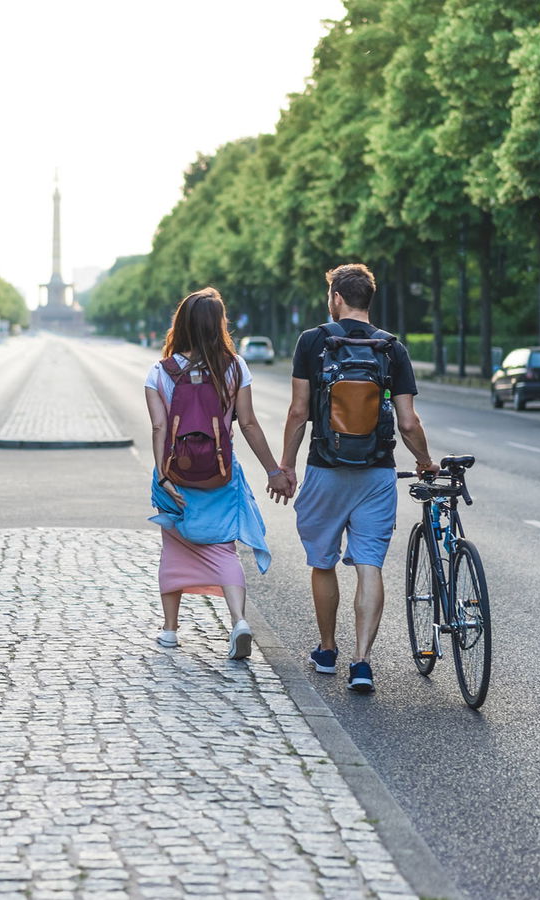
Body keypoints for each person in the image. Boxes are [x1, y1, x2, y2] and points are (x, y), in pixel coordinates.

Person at [277, 264, 436, 693]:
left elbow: (298, 413)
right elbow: (408, 421)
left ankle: (327, 650)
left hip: (325, 469)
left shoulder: (312, 342)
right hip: (376, 473)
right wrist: (424, 461)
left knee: (322, 561)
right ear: (369, 299)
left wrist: (286, 467)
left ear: (336, 298)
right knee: (369, 565)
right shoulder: (392, 349)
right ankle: (362, 663)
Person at [145, 287, 295, 659]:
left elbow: (159, 429)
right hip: (221, 473)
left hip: (175, 476)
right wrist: (274, 470)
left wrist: (164, 476)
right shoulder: (234, 367)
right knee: (224, 550)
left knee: (174, 548)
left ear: (181, 324)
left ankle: (169, 630)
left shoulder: (159, 372)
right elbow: (247, 423)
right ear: (218, 325)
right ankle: (239, 621)